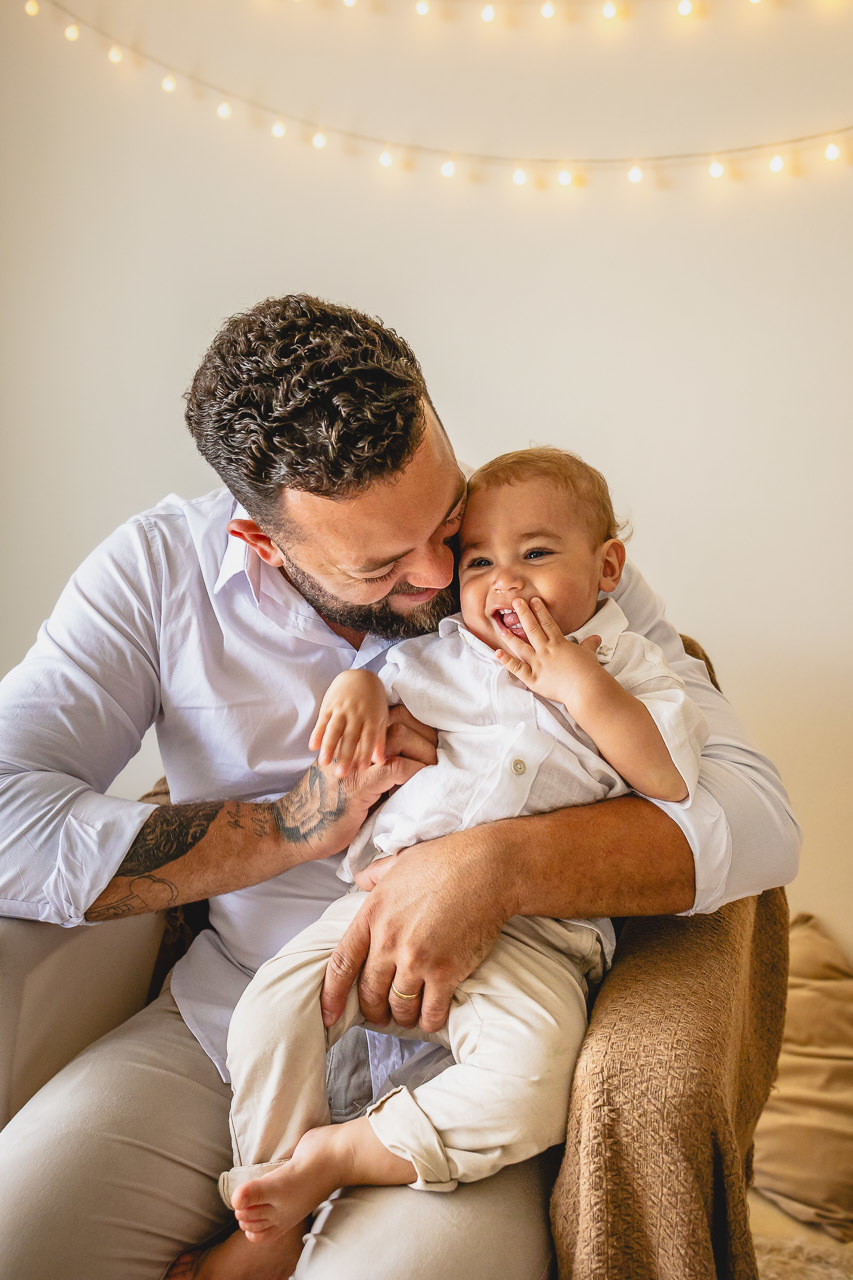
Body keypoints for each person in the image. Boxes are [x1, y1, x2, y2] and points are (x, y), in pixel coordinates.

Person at [0, 295, 799, 1280]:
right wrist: (299, 825)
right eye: (382, 562)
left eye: (445, 520)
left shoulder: (531, 553)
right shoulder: (156, 574)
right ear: (263, 542)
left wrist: (493, 866)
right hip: (239, 1018)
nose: (438, 575)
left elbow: (754, 820)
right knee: (22, 1232)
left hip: (461, 1042)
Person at [209, 447, 711, 1280]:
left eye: (536, 554)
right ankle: (270, 1215)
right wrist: (361, 692)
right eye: (478, 561)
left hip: (537, 933)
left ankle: (345, 1154)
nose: (503, 581)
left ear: (607, 567)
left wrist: (576, 684)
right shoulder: (446, 652)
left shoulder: (629, 669)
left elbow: (668, 779)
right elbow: (381, 683)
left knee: (531, 1083)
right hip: (383, 900)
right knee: (268, 1013)